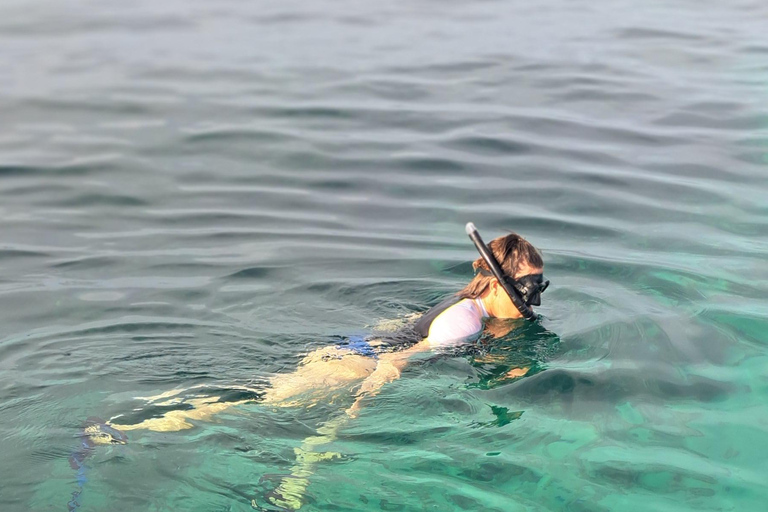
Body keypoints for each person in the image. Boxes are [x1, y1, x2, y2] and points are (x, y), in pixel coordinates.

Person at [106, 224, 548, 432]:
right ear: (498, 283)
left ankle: (147, 416)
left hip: (355, 349)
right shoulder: (463, 323)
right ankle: (130, 425)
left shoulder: (467, 303)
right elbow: (397, 363)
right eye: (527, 290)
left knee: (263, 395)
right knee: (260, 401)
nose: (534, 302)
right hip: (359, 365)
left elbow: (400, 329)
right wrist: (347, 417)